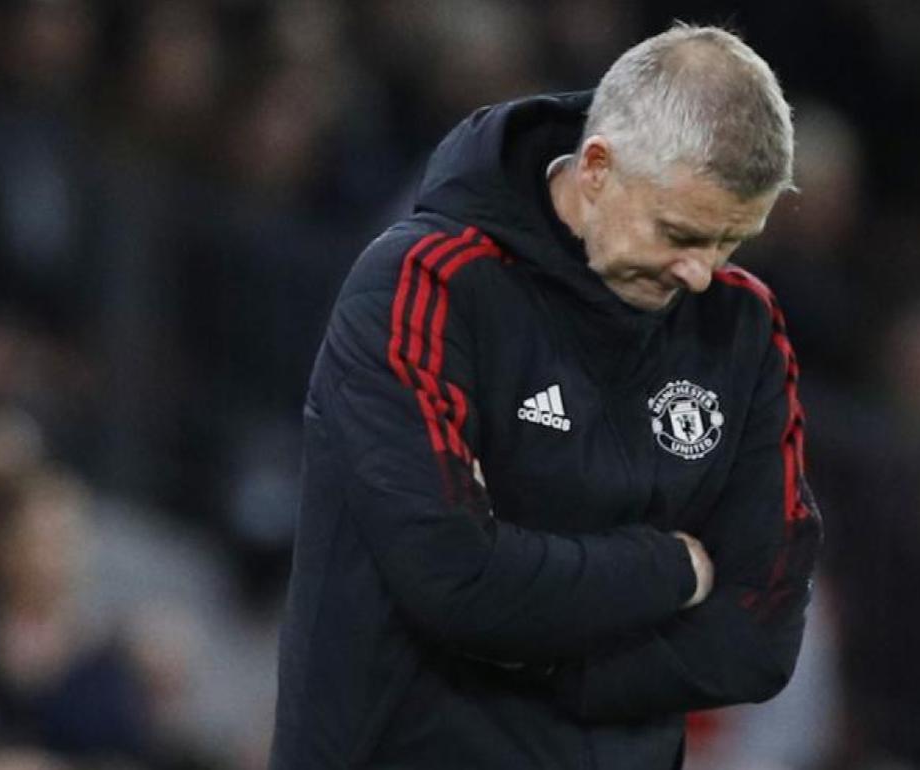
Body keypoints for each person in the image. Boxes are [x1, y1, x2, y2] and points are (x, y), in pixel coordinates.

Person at [271, 23, 822, 770]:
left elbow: (760, 636)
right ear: (596, 168)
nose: (701, 273)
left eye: (731, 242)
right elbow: (455, 577)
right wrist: (671, 569)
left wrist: (543, 658)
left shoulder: (743, 327)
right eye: (680, 234)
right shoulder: (424, 285)